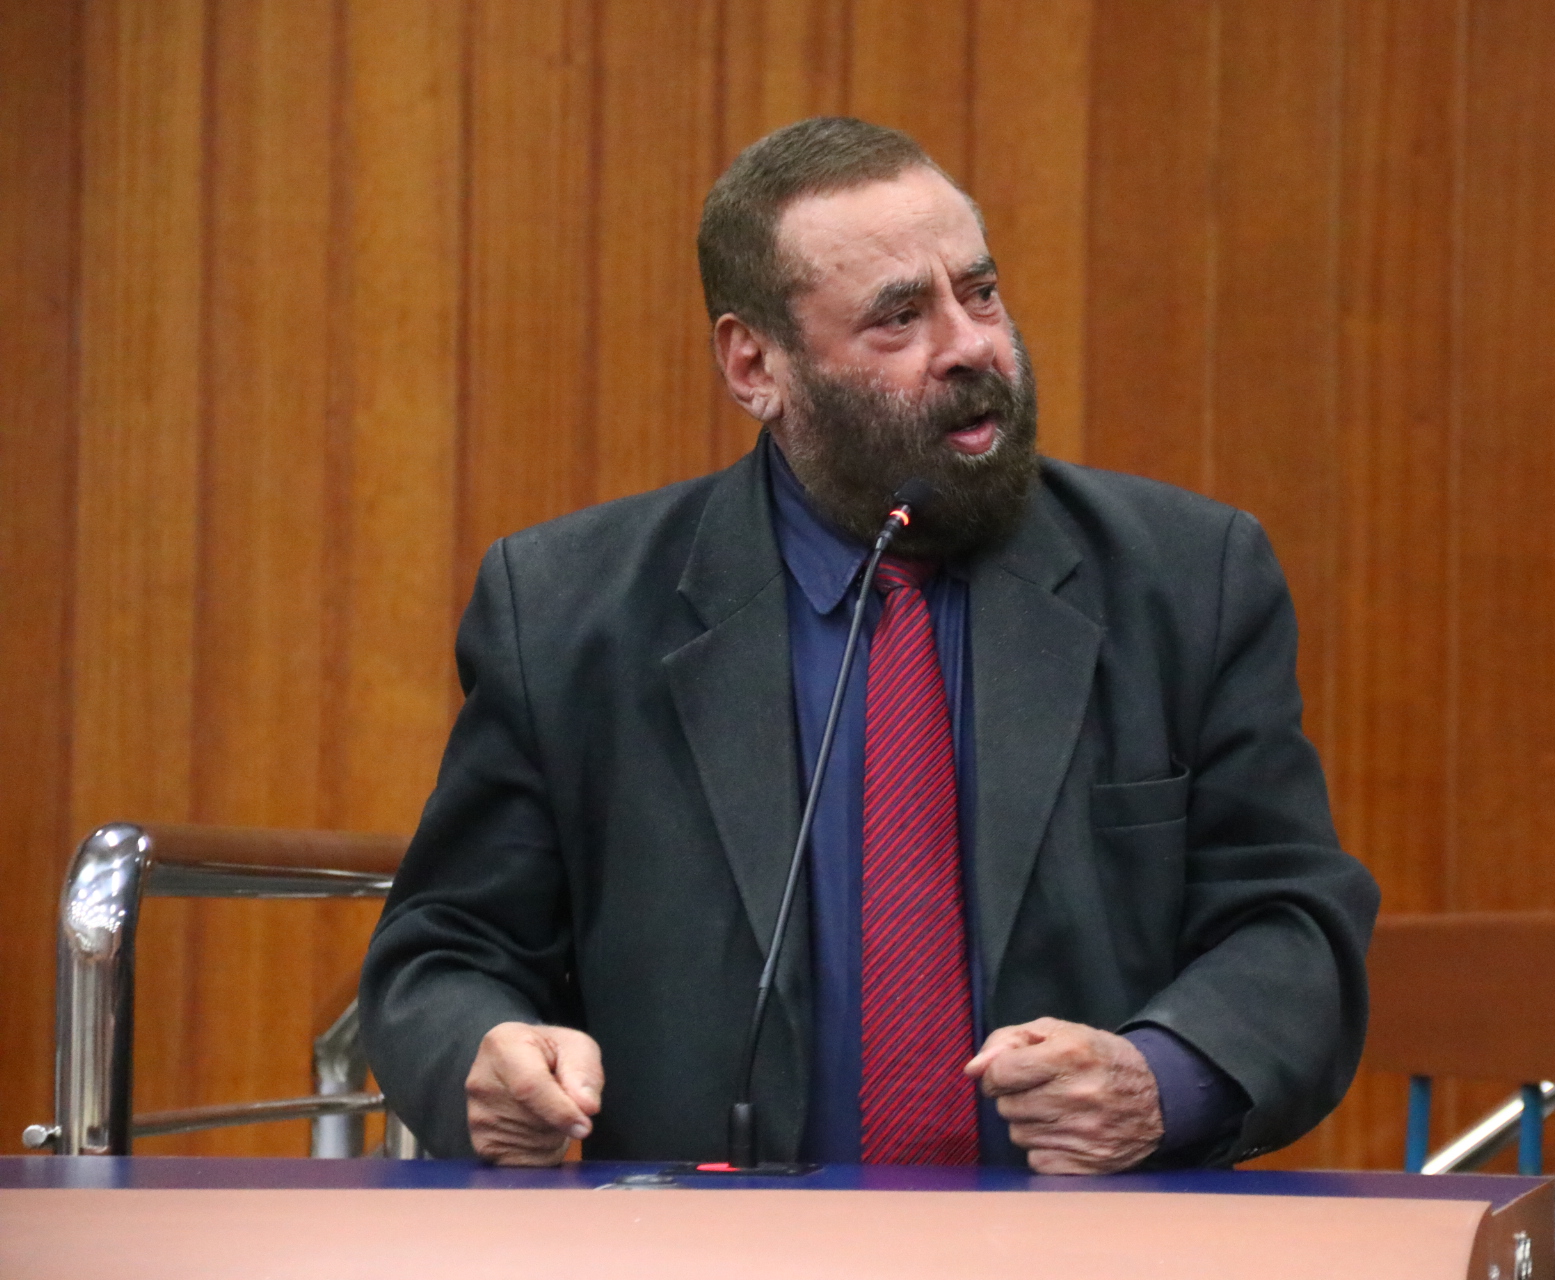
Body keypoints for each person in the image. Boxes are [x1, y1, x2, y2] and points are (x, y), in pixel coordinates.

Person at [360, 117, 1378, 1174]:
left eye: (980, 292)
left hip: (1086, 1235)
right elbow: (446, 954)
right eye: (899, 317)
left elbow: (1293, 929)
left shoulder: (1188, 579)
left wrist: (1161, 1078)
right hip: (704, 1244)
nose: (972, 345)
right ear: (756, 364)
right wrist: (490, 1056)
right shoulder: (566, 611)